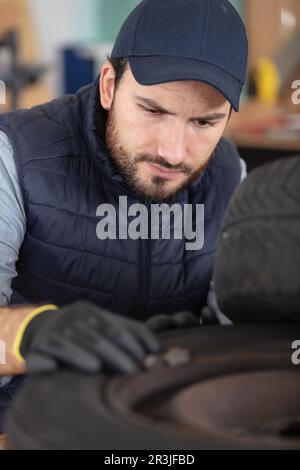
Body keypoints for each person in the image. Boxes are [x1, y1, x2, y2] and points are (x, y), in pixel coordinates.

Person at [0, 0, 248, 432]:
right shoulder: (15, 156)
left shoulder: (231, 175)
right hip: (31, 429)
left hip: (165, 434)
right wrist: (31, 332)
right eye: (153, 111)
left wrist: (204, 341)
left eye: (205, 123)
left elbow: (245, 343)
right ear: (110, 85)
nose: (173, 151)